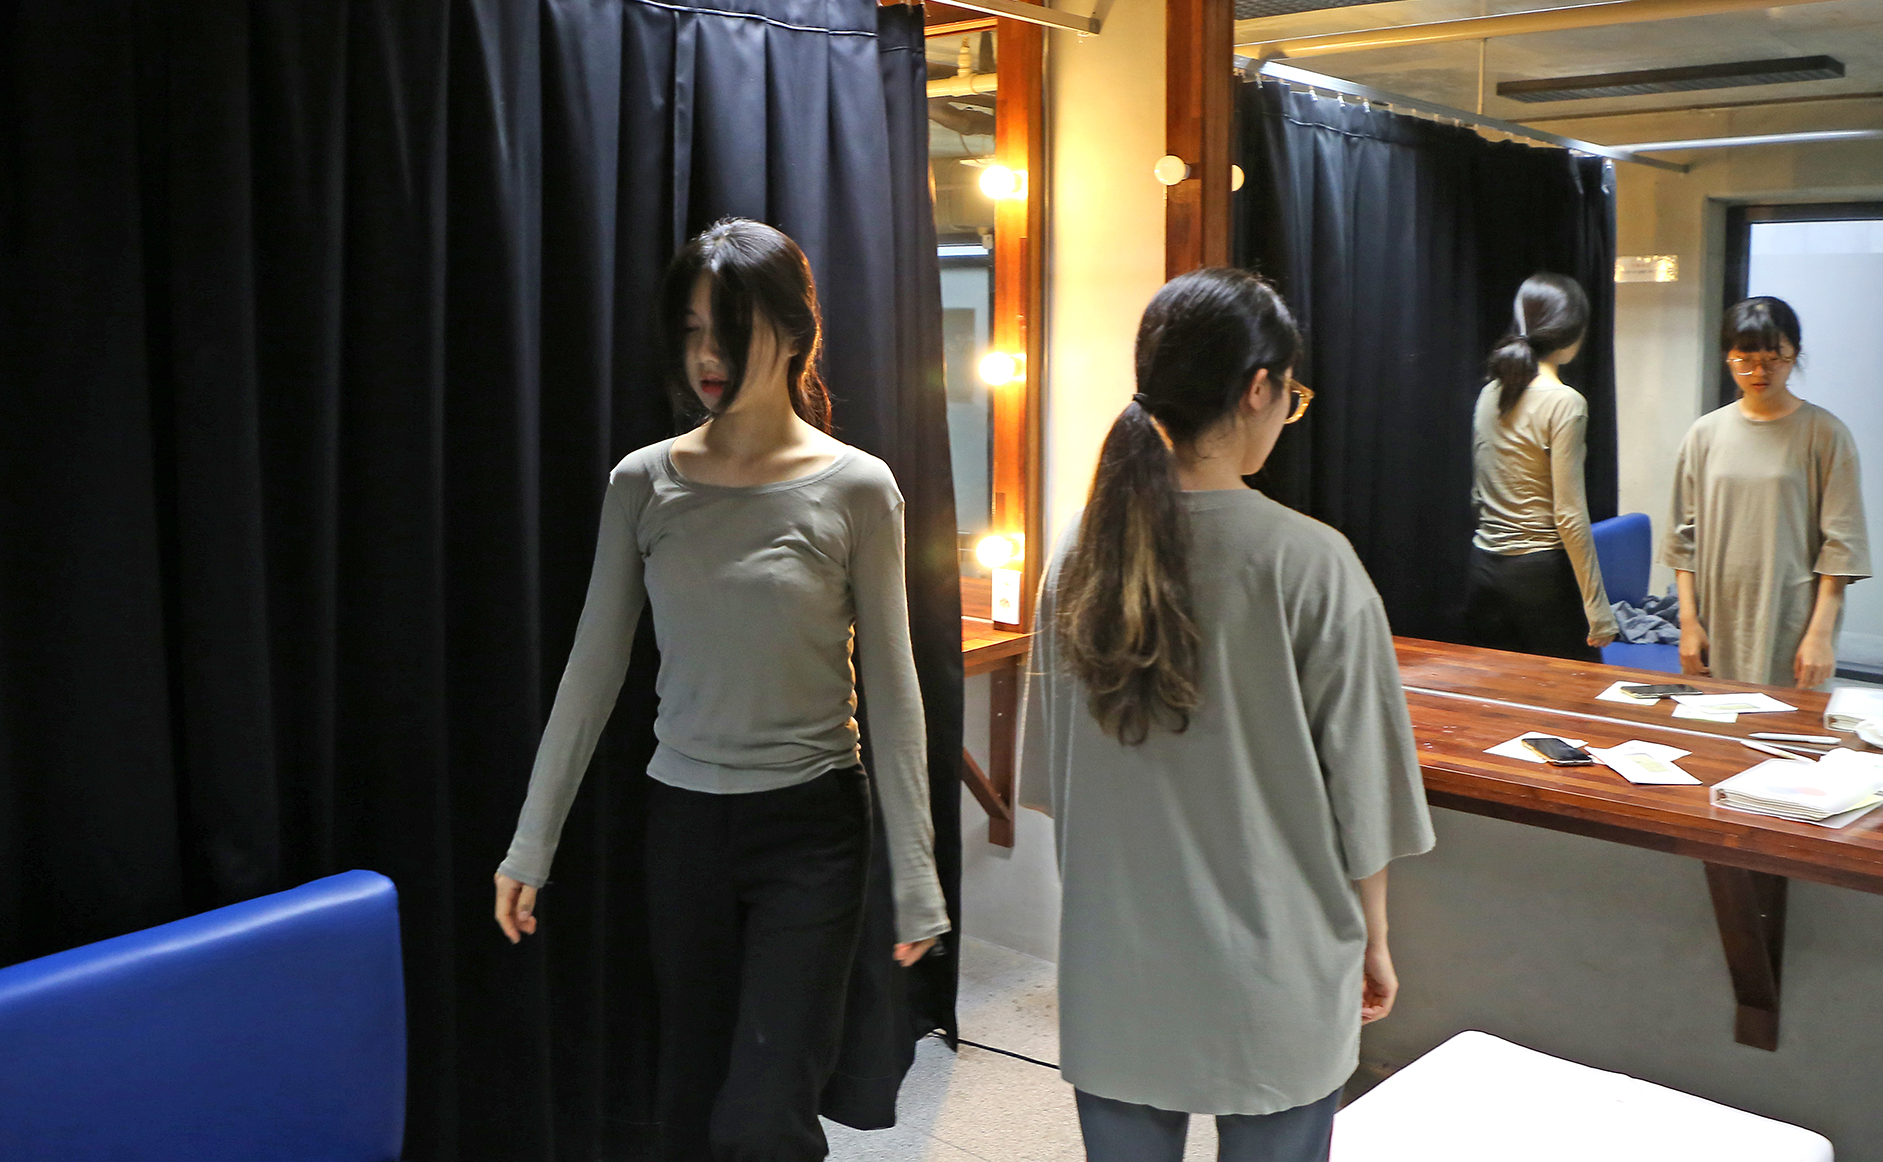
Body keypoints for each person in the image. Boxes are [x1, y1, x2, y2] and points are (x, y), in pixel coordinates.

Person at [491, 219, 948, 1162]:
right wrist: (531, 842)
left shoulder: (859, 488)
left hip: (813, 826)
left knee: (765, 1115)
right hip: (686, 824)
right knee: (692, 1106)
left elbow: (895, 689)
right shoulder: (644, 482)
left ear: (795, 333)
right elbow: (592, 669)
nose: (707, 355)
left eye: (730, 330)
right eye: (693, 329)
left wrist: (915, 871)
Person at [1020, 269, 1435, 1162]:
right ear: (1258, 388)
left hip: (1117, 969)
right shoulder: (1311, 562)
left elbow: (1057, 783)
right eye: (1292, 395)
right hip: (1275, 973)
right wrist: (1375, 938)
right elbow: (1364, 801)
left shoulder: (1077, 554)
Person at [1663, 295, 1870, 689]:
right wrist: (1687, 623)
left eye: (1774, 359)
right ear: (1728, 357)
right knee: (1714, 719)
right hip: (1716, 615)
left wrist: (1820, 634)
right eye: (1745, 359)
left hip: (1791, 615)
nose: (1759, 372)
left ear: (1795, 355)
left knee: (1787, 722)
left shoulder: (1826, 434)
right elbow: (1681, 540)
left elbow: (1842, 546)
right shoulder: (1704, 434)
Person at [1465, 272, 1617, 662]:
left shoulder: (1489, 392)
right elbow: (1569, 514)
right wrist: (1597, 606)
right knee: (1573, 694)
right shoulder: (1565, 402)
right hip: (1541, 578)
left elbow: (1478, 495)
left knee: (1498, 693)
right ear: (1574, 332)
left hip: (1483, 569)